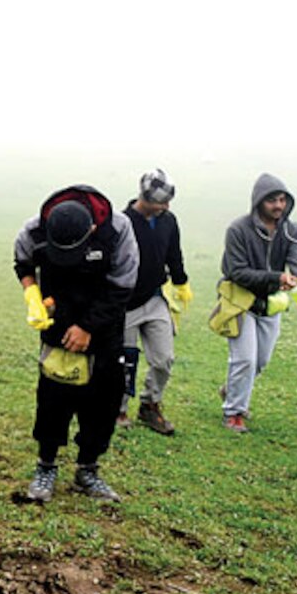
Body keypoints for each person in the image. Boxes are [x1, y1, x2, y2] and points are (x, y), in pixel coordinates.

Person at [14, 185, 139, 503]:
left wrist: (87, 328)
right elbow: (23, 263)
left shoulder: (118, 231)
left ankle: (88, 470)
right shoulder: (34, 229)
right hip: (57, 322)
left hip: (104, 329)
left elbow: (122, 287)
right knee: (53, 396)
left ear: (93, 229)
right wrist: (32, 294)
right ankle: (46, 466)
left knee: (104, 400)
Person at [218, 173, 297, 433]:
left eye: (283, 200)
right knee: (245, 360)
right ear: (259, 201)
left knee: (260, 361)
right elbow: (236, 271)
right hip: (241, 301)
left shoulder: (292, 230)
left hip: (271, 304)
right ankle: (234, 413)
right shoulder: (238, 230)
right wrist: (276, 277)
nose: (278, 206)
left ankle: (232, 390)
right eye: (272, 200)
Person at [117, 169, 192, 435]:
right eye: (161, 202)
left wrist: (181, 282)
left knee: (164, 359)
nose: (166, 207)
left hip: (156, 298)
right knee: (124, 361)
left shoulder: (168, 221)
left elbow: (174, 254)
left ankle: (150, 404)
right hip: (125, 304)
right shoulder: (122, 222)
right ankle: (118, 408)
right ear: (145, 197)